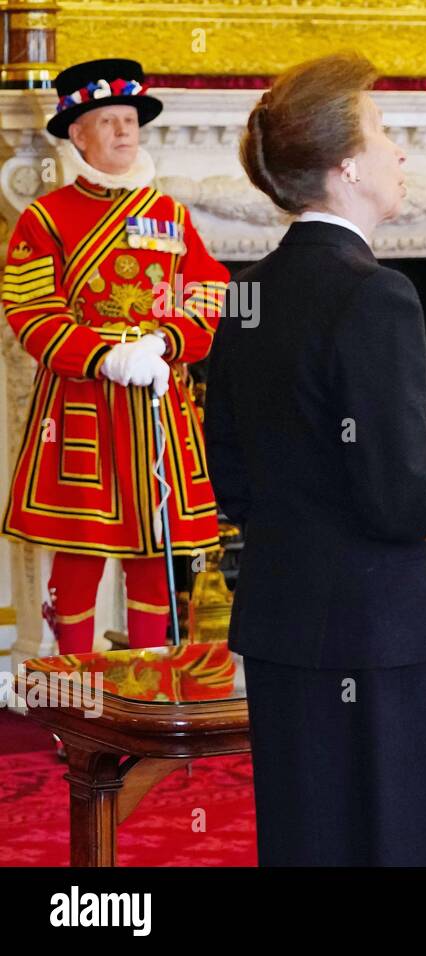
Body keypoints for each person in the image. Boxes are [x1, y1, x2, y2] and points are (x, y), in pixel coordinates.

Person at [204, 52, 426, 866]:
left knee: (308, 838)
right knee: (396, 842)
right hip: (376, 633)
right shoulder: (376, 294)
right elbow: (399, 505)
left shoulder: (246, 292)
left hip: (283, 623)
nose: (401, 153)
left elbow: (231, 479)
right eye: (385, 133)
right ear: (347, 164)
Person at [0, 58, 227, 653]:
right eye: (110, 121)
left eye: (131, 120)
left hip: (157, 412)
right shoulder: (44, 218)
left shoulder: (171, 215)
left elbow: (210, 291)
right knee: (80, 555)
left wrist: (167, 340)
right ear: (78, 135)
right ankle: (76, 704)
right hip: (83, 407)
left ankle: (145, 695)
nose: (126, 132)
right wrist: (106, 357)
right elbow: (31, 311)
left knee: (155, 555)